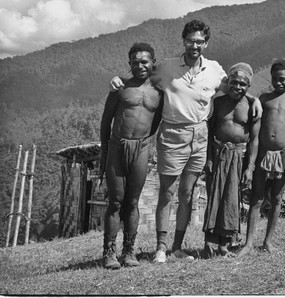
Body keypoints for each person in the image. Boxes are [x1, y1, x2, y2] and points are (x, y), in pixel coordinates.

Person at [109, 20, 262, 263]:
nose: (195, 45)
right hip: (172, 134)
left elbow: (233, 86)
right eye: (190, 40)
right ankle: (161, 247)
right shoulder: (167, 67)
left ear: (206, 43)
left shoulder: (213, 69)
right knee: (167, 193)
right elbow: (141, 75)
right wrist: (117, 80)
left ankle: (177, 247)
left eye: (200, 41)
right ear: (183, 41)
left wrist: (254, 98)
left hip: (200, 135)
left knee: (188, 193)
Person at [100, 43, 163, 269]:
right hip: (118, 147)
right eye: (135, 62)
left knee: (133, 201)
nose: (140, 66)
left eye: (144, 61)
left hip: (142, 148)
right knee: (116, 201)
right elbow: (106, 121)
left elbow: (155, 123)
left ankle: (128, 252)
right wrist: (104, 153)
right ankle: (109, 253)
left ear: (153, 62)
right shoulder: (120, 88)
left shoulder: (159, 93)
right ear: (129, 64)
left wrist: (142, 141)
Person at [238, 59, 285, 257]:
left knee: (276, 199)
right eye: (275, 79)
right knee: (256, 198)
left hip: (283, 155)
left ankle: (268, 242)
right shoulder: (264, 99)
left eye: (282, 79)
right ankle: (248, 243)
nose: (278, 83)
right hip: (263, 154)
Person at [202, 63, 260, 258]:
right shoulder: (218, 103)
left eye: (243, 84)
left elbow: (255, 139)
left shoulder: (252, 107)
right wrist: (209, 158)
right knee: (214, 197)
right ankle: (210, 243)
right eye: (234, 82)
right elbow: (210, 133)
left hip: (238, 157)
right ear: (228, 82)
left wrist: (250, 168)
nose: (238, 87)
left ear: (248, 86)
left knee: (231, 200)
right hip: (218, 154)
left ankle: (225, 244)